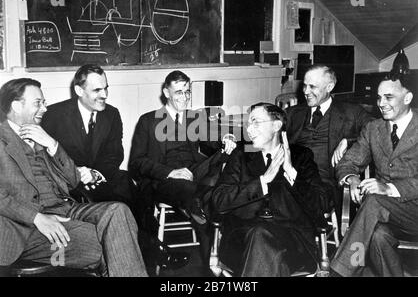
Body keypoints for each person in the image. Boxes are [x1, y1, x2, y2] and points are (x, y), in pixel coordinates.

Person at [41, 64, 188, 273]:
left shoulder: (111, 114)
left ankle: (149, 246)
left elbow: (114, 154)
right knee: (115, 203)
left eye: (106, 88)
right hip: (67, 182)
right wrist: (76, 172)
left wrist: (95, 174)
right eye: (97, 90)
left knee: (130, 186)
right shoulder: (54, 114)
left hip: (100, 177)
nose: (104, 95)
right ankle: (148, 250)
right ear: (79, 91)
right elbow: (44, 156)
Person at [0, 78, 147, 276]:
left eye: (44, 102)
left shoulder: (41, 135)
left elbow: (73, 180)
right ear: (17, 105)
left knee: (117, 211)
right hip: (26, 228)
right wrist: (37, 218)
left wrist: (52, 145)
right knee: (113, 241)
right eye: (38, 103)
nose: (44, 108)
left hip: (65, 210)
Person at [128, 70, 236, 264]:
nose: (185, 97)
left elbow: (211, 141)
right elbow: (136, 163)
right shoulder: (148, 121)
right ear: (166, 93)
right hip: (163, 179)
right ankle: (210, 258)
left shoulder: (194, 118)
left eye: (187, 92)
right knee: (201, 195)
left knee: (228, 160)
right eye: (179, 92)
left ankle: (207, 212)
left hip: (194, 171)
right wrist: (169, 172)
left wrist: (224, 139)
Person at [211, 102, 328, 277]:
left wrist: (291, 173)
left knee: (265, 245)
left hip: (293, 241)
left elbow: (321, 204)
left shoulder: (301, 156)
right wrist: (262, 182)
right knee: (260, 237)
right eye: (248, 124)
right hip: (244, 239)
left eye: (255, 122)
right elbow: (219, 201)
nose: (249, 129)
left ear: (276, 125)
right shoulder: (241, 155)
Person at [330, 72, 418, 277]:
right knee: (378, 236)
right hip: (385, 216)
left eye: (389, 97)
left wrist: (389, 188)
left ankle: (340, 273)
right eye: (379, 97)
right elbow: (348, 162)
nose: (381, 103)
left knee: (374, 201)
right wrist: (352, 178)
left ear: (408, 98)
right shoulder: (373, 129)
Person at [286, 64, 373, 221]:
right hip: (291, 177)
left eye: (312, 86)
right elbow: (267, 130)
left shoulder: (351, 112)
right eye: (304, 86)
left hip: (323, 184)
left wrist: (349, 141)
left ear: (330, 87)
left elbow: (378, 130)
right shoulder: (293, 113)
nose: (305, 91)